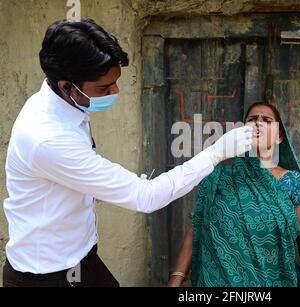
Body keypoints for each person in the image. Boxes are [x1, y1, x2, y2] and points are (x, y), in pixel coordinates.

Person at [2, 18, 253, 287]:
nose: (115, 91)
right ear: (66, 86)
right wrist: (216, 153)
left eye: (115, 82)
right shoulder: (48, 139)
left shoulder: (62, 101)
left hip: (81, 258)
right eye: (104, 88)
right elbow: (145, 197)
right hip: (46, 276)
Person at [168, 102, 300, 287]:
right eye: (252, 119)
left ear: (279, 137)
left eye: (267, 120)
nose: (258, 123)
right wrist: (175, 280)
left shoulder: (291, 183)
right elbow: (196, 231)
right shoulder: (218, 178)